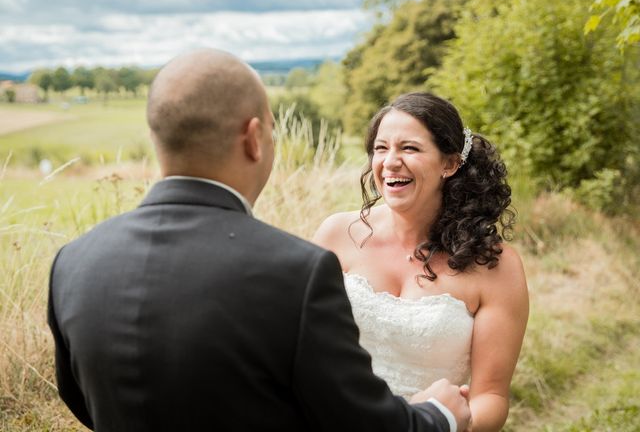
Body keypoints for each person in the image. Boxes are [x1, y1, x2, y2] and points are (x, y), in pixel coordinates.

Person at [47, 50, 471, 432]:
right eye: (271, 131)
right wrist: (439, 414)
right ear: (253, 139)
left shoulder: (73, 262)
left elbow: (79, 398)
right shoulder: (296, 273)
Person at [314, 92, 529, 432]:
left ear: (450, 163)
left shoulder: (495, 266)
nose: (390, 162)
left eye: (409, 148)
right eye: (381, 148)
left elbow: (491, 396)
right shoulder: (337, 234)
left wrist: (436, 424)